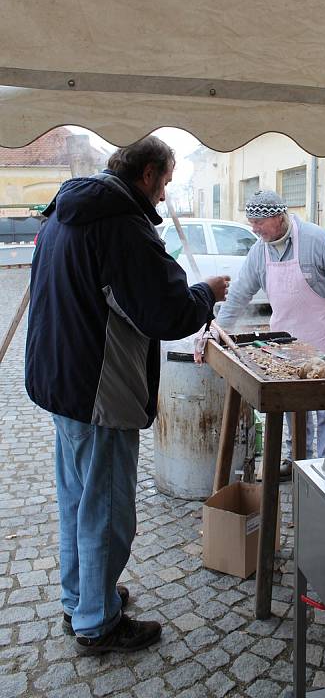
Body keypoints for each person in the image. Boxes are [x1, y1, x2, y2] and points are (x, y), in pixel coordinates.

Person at [25, 136, 229, 655]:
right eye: (164, 182)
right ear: (147, 174)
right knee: (107, 509)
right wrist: (206, 294)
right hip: (98, 389)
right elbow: (162, 312)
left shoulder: (67, 212)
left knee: (77, 501)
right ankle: (97, 624)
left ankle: (83, 598)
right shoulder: (120, 224)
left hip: (60, 380)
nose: (164, 194)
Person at [215, 189, 325, 477]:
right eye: (251, 223)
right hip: (286, 345)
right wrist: (220, 328)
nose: (255, 230)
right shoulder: (260, 250)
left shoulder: (317, 240)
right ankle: (298, 463)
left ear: (280, 217)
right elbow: (240, 294)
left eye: (260, 223)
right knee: (295, 408)